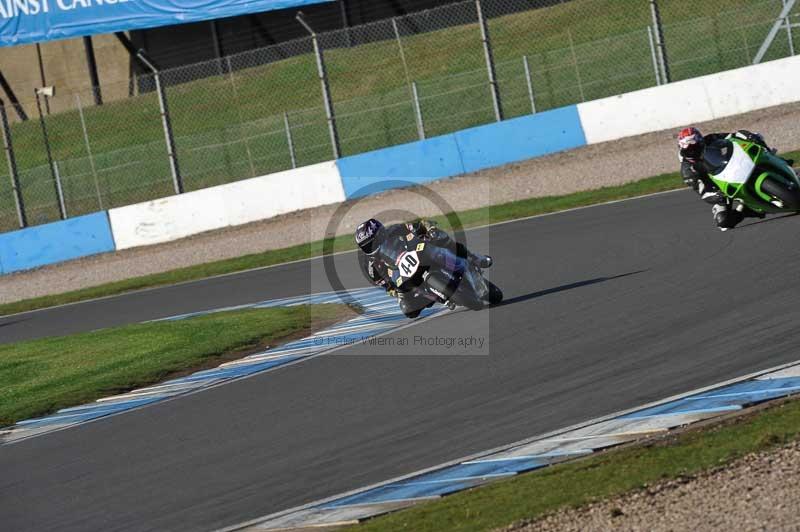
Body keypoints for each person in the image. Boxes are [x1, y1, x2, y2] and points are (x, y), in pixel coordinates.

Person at [354, 218, 492, 318]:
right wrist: (396, 292)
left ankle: (474, 258)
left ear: (381, 233)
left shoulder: (395, 229)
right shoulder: (369, 266)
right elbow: (386, 286)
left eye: (373, 242)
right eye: (367, 246)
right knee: (408, 310)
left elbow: (419, 224)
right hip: (401, 275)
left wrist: (428, 230)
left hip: (417, 252)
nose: (372, 248)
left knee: (439, 238)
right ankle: (431, 297)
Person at [678, 127, 794, 231]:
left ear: (701, 142)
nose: (693, 151)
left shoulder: (710, 139)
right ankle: (748, 209)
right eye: (688, 150)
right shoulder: (688, 171)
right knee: (723, 222)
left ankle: (779, 162)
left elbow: (733, 136)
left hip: (729, 167)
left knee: (759, 145)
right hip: (718, 186)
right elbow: (703, 191)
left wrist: (748, 136)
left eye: (695, 147)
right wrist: (715, 195)